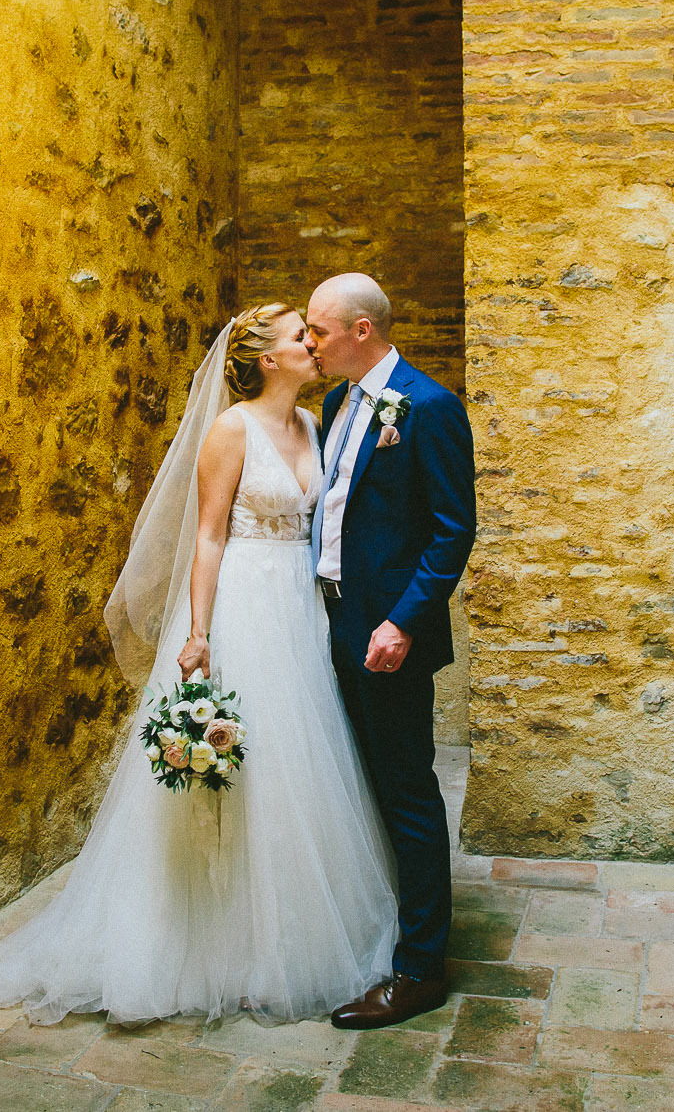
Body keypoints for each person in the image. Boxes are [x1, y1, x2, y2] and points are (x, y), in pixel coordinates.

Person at [0, 302, 398, 1025]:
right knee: (243, 769)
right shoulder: (231, 430)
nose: (312, 343)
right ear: (268, 358)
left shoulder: (312, 424)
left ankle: (286, 933)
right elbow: (208, 536)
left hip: (300, 611)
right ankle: (216, 940)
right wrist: (200, 632)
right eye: (299, 335)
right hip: (245, 606)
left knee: (298, 763)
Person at [304, 273, 476, 1029]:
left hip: (388, 639)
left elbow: (452, 531)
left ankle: (420, 970)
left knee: (407, 789)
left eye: (319, 329)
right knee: (359, 780)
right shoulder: (336, 406)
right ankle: (382, 921)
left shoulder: (428, 407)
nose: (311, 342)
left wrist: (402, 622)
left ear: (361, 330)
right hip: (333, 621)